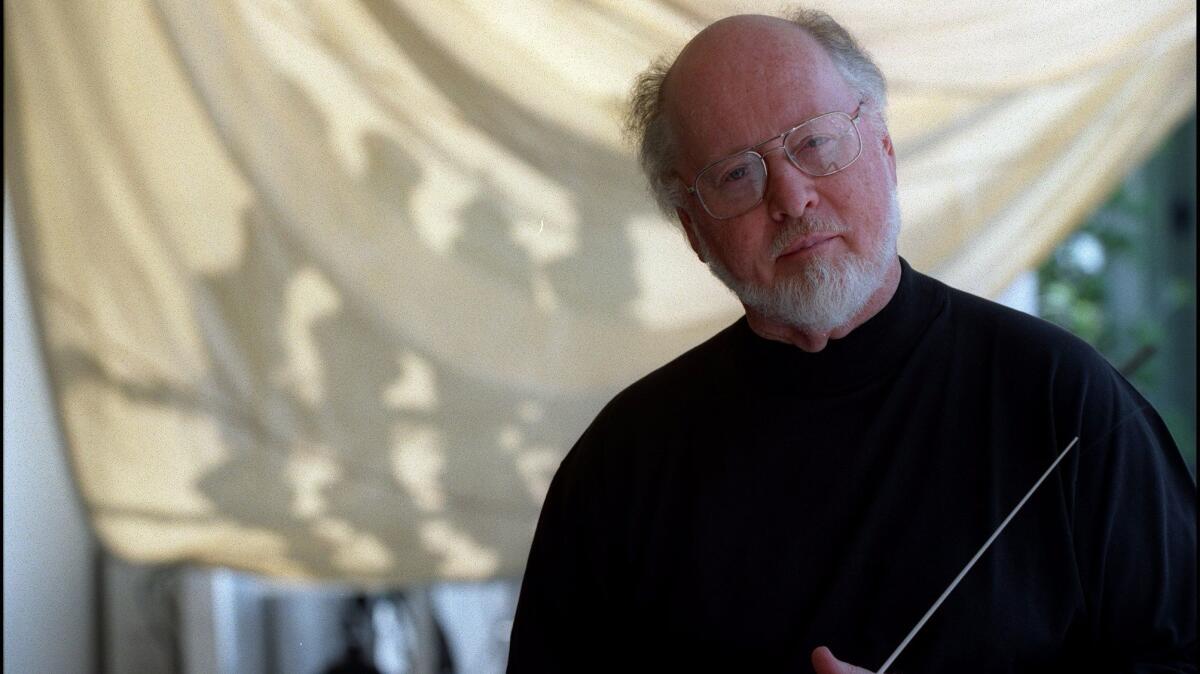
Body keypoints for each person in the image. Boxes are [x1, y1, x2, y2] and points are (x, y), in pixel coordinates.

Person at [506, 8, 1196, 673]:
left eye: (815, 142)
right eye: (737, 173)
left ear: (886, 153)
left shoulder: (1061, 402)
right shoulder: (621, 466)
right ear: (694, 230)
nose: (792, 197)